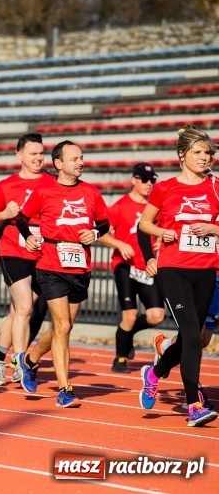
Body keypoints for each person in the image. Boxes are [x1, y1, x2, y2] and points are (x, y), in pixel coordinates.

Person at [14, 140, 109, 408]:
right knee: (63, 326)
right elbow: (21, 218)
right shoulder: (44, 191)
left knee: (62, 328)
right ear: (58, 164)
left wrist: (96, 233)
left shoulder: (91, 192)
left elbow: (105, 222)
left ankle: (30, 360)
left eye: (82, 157)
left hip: (80, 265)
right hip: (50, 264)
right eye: (75, 158)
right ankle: (65, 389)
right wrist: (29, 238)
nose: (81, 162)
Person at [137, 125, 219, 427]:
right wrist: (163, 232)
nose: (204, 158)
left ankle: (155, 373)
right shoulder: (165, 188)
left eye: (208, 153)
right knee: (190, 335)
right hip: (174, 268)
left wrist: (214, 229)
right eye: (198, 152)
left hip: (207, 270)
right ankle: (194, 405)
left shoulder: (215, 187)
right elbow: (144, 224)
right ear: (182, 155)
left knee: (193, 338)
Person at [0, 133, 54, 386]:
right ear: (20, 155)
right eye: (33, 153)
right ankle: (20, 363)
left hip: (42, 253)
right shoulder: (7, 185)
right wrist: (4, 213)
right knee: (25, 308)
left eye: (41, 153)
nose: (38, 158)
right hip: (14, 251)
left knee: (17, 312)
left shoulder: (52, 182)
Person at [97, 163, 165, 373]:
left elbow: (165, 229)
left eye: (152, 180)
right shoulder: (120, 206)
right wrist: (120, 244)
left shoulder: (154, 207)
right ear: (133, 180)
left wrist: (161, 241)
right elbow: (100, 233)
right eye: (144, 180)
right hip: (125, 266)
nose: (149, 184)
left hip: (147, 268)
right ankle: (120, 358)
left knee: (156, 315)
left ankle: (126, 336)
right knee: (129, 315)